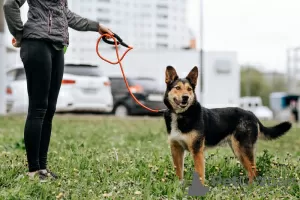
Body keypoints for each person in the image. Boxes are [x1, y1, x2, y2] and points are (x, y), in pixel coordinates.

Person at [3, 0, 113, 180]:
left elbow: (66, 15)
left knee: (49, 110)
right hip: (37, 44)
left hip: (57, 46)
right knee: (38, 109)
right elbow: (10, 5)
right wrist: (20, 35)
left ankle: (42, 169)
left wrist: (97, 27)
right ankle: (33, 170)